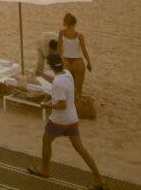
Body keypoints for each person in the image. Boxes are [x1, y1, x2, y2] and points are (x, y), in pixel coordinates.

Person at [27, 54, 106, 189]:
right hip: (72, 118)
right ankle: (99, 179)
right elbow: (69, 92)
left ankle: (44, 170)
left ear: (50, 66)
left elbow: (61, 105)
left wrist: (47, 105)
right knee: (81, 149)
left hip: (59, 120)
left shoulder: (57, 83)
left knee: (46, 141)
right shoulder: (68, 74)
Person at [59, 13, 93, 97]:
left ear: (65, 23)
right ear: (75, 23)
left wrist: (59, 62)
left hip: (66, 61)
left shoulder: (61, 33)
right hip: (78, 62)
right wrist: (89, 62)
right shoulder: (79, 35)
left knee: (68, 88)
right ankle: (77, 107)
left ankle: (69, 107)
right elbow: (84, 51)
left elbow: (59, 49)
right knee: (79, 88)